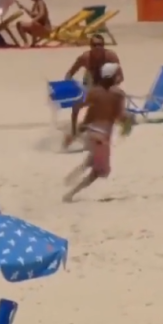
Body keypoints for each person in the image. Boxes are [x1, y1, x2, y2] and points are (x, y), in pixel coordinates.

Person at [63, 63, 132, 202]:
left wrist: (75, 129)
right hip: (102, 135)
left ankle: (70, 178)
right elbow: (119, 116)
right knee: (100, 171)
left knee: (93, 159)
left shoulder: (94, 92)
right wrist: (129, 122)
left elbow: (82, 110)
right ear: (113, 76)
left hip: (91, 131)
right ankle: (70, 194)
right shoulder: (118, 94)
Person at [62, 35, 124, 149]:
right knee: (76, 105)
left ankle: (81, 131)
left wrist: (110, 86)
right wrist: (70, 86)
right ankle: (74, 130)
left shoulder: (111, 56)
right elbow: (69, 73)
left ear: (104, 46)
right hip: (90, 84)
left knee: (95, 113)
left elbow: (121, 77)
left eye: (100, 45)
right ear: (90, 46)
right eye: (94, 45)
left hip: (107, 85)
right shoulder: (85, 58)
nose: (97, 47)